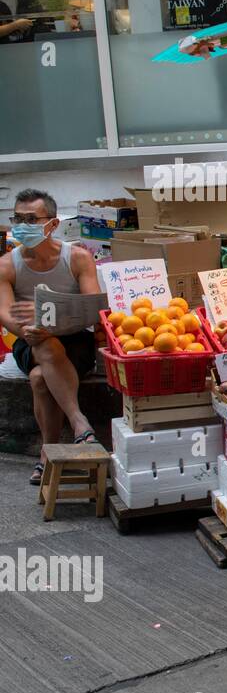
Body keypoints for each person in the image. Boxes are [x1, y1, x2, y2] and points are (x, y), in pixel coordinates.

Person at [0, 190, 103, 484]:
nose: (22, 225)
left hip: (76, 342)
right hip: (29, 341)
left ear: (53, 224)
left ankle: (47, 453)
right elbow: (5, 313)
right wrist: (30, 329)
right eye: (18, 218)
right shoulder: (7, 265)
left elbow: (92, 307)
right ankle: (80, 424)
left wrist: (51, 319)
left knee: (39, 378)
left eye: (31, 219)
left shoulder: (78, 258)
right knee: (44, 341)